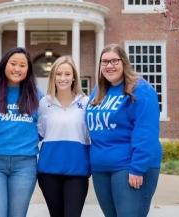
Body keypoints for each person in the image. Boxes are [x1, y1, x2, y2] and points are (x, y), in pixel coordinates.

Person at [86, 44, 162, 217]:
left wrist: (138, 167)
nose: (109, 66)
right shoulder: (98, 92)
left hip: (129, 167)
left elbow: (146, 132)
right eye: (104, 62)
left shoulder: (140, 89)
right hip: (101, 168)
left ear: (124, 62)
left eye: (114, 61)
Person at [0, 47, 41, 217]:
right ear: (4, 65)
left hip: (25, 165)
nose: (17, 69)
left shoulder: (37, 96)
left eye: (22, 65)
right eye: (13, 64)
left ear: (28, 70)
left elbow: (46, 127)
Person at [37, 56, 90, 217]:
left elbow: (92, 136)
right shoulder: (44, 103)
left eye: (67, 74)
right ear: (53, 77)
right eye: (58, 74)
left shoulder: (87, 103)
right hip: (48, 172)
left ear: (74, 76)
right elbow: (38, 135)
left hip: (77, 172)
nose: (63, 78)